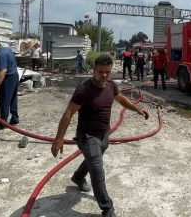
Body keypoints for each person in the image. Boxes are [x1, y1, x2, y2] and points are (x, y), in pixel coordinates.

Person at [51, 54, 149, 217]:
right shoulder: (84, 90)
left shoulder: (110, 85)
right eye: (101, 72)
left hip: (104, 133)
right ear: (94, 70)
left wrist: (137, 110)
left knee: (93, 159)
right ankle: (107, 208)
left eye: (107, 72)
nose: (104, 75)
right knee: (97, 169)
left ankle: (78, 177)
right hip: (87, 136)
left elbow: (121, 99)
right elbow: (68, 113)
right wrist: (58, 138)